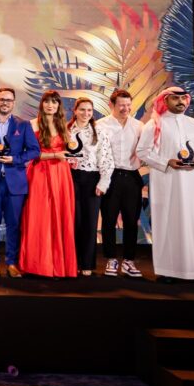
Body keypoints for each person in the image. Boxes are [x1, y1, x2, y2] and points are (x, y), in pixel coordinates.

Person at [136, 87, 194, 283]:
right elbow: (142, 151)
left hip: (192, 183)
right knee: (168, 224)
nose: (181, 102)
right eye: (175, 98)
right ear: (165, 101)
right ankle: (168, 272)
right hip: (166, 182)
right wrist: (167, 162)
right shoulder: (154, 124)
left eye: (183, 98)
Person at [0, 87, 41, 278]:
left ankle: (12, 263)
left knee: (14, 225)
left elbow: (34, 150)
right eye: (2, 99)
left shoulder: (23, 125)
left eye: (9, 100)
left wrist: (15, 159)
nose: (5, 103)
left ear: (13, 103)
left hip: (15, 184)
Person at [20, 90, 77, 278]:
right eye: (47, 101)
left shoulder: (64, 125)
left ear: (59, 105)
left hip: (61, 174)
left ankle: (60, 265)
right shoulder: (32, 124)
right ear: (42, 104)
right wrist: (54, 155)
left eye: (54, 102)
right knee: (39, 217)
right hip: (40, 173)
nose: (50, 105)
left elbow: (71, 150)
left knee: (60, 216)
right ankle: (37, 265)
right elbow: (30, 154)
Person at [96, 89, 146, 278]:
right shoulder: (101, 125)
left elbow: (146, 149)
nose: (125, 108)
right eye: (121, 105)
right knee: (108, 220)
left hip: (132, 177)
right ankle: (111, 259)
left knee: (131, 221)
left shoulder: (139, 125)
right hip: (110, 176)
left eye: (128, 105)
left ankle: (129, 261)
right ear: (112, 105)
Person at [67, 97, 114, 276]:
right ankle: (72, 262)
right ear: (75, 111)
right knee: (73, 221)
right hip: (70, 178)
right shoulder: (66, 130)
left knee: (90, 222)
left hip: (92, 179)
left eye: (89, 110)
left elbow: (106, 158)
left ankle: (86, 263)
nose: (86, 113)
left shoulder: (99, 131)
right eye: (82, 109)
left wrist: (104, 182)